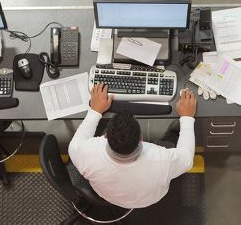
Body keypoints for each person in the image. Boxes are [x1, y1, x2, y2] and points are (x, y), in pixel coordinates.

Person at [68, 83, 197, 209]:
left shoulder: (84, 152)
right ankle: (172, 135)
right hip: (149, 199)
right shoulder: (162, 160)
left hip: (109, 197)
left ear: (106, 135)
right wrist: (187, 117)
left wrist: (95, 110)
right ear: (141, 139)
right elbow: (186, 159)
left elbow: (78, 141)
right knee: (169, 142)